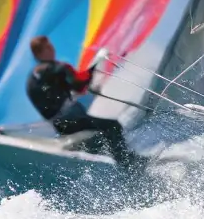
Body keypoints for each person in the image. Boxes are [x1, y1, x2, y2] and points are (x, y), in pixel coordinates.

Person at [24, 35, 138, 169]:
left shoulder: (33, 76)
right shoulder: (57, 68)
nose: (52, 49)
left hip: (59, 124)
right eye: (48, 47)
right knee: (112, 125)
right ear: (39, 53)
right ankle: (128, 164)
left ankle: (117, 160)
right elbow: (80, 85)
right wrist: (95, 63)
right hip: (68, 121)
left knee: (98, 128)